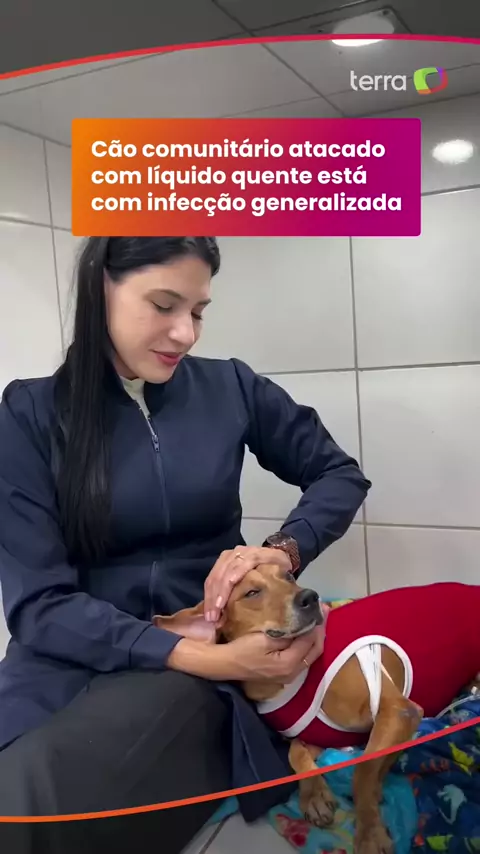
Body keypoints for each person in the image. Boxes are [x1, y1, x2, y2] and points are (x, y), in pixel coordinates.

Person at [0, 236, 371, 853]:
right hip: (70, 651)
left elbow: (338, 474)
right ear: (101, 289)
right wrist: (213, 661)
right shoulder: (29, 412)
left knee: (52, 781)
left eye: (198, 311)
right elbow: (38, 604)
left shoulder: (231, 388)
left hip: (200, 642)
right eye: (164, 305)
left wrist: (282, 551)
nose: (186, 333)